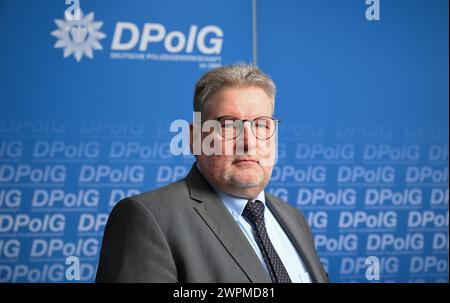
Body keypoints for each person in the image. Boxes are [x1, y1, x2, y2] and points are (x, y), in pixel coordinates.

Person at [96, 63, 329, 283]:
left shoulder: (293, 219)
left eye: (261, 125)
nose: (248, 142)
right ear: (195, 138)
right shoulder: (149, 219)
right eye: (228, 125)